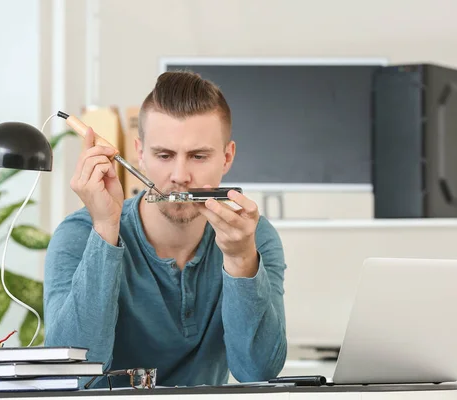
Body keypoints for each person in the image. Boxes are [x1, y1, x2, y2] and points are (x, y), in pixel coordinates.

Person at [43, 71, 287, 388]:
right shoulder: (77, 233)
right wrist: (105, 229)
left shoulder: (252, 236)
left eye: (198, 156)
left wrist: (241, 261)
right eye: (164, 155)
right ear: (139, 155)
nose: (180, 175)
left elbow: (258, 373)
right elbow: (74, 372)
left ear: (227, 157)